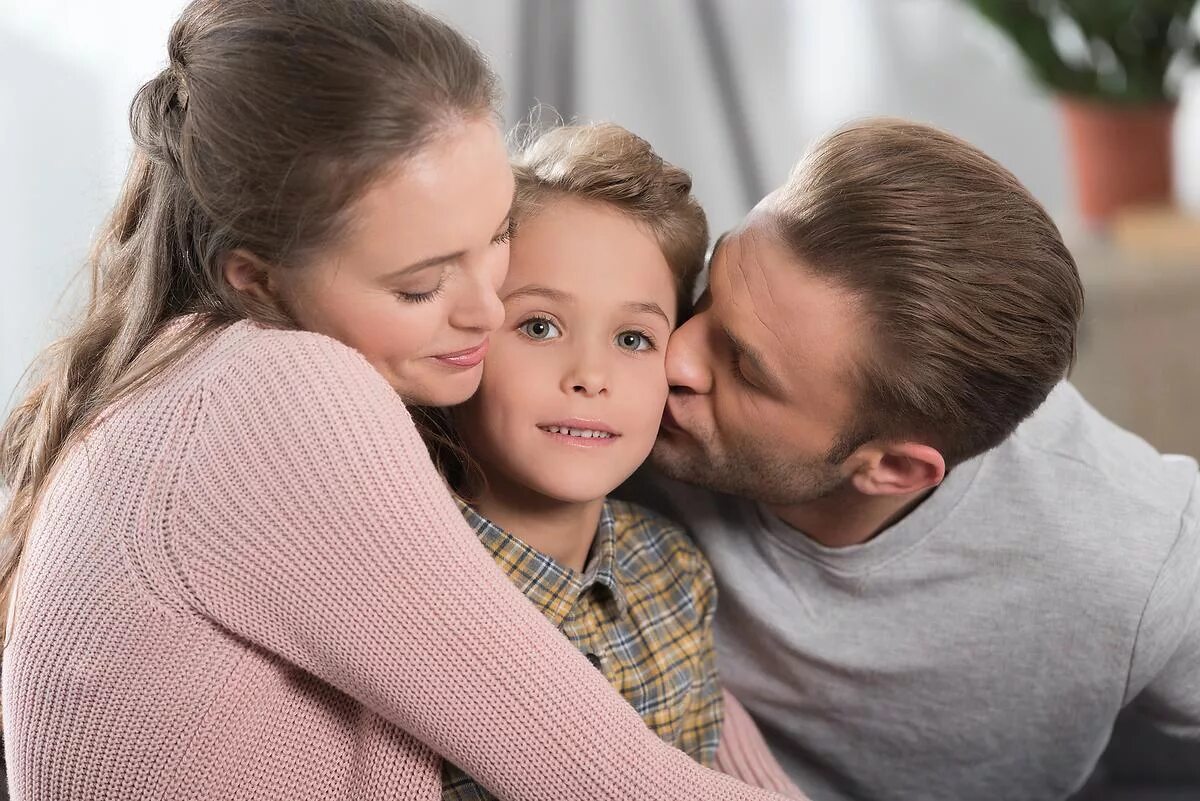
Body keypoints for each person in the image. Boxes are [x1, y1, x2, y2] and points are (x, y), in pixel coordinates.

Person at [0, 2, 799, 799]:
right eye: (421, 284)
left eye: (495, 236)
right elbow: (604, 777)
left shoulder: (191, 374)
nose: (487, 309)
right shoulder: (281, 394)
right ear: (258, 277)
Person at [626, 118, 1200, 801]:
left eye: (745, 371)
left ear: (892, 469)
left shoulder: (1137, 553)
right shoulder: (599, 389)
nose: (675, 355)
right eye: (714, 291)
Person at [424, 122, 736, 801]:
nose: (591, 375)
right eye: (539, 326)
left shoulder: (676, 573)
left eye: (632, 337)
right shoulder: (404, 580)